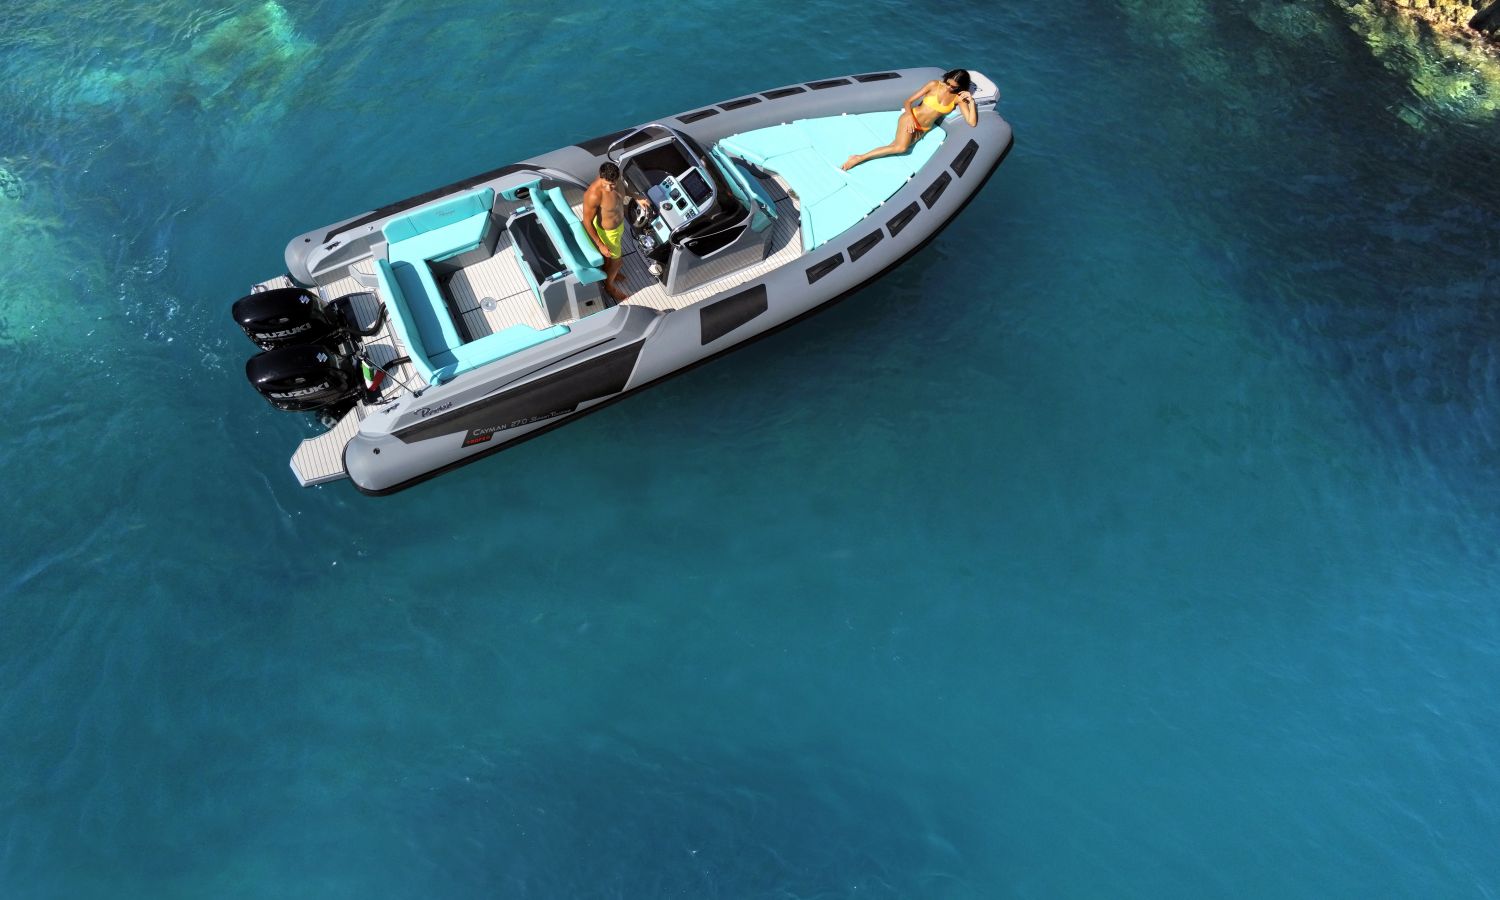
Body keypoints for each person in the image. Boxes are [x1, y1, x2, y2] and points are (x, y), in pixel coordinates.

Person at [842, 69, 979, 171]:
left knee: (894, 146)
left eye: (953, 86)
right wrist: (909, 117)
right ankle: (859, 158)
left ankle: (862, 159)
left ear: (960, 86)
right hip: (911, 118)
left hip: (923, 129)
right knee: (901, 148)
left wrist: (971, 102)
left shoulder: (958, 99)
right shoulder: (934, 85)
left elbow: (971, 122)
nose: (948, 87)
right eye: (948, 83)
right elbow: (908, 101)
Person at [582, 162, 652, 302]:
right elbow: (587, 222)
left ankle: (607, 271)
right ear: (600, 176)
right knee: (618, 263)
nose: (609, 188)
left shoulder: (617, 180)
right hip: (608, 233)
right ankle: (609, 287)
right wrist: (600, 245)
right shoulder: (593, 195)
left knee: (610, 259)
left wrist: (637, 197)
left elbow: (624, 191)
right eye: (606, 184)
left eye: (612, 184)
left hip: (618, 226)